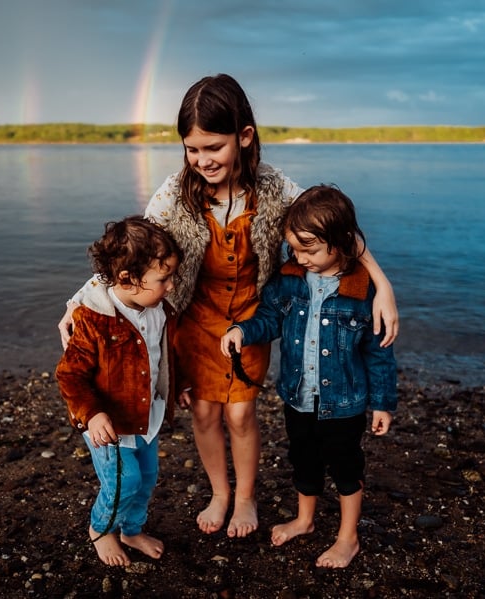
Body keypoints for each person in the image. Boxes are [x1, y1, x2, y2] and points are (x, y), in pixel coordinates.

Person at [59, 74, 398, 539]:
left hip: (248, 318)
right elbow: (128, 256)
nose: (202, 160)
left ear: (244, 137)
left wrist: (382, 284)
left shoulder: (275, 188)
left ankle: (245, 499)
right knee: (203, 413)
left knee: (239, 414)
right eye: (192, 149)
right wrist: (79, 300)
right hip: (196, 321)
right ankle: (219, 492)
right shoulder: (175, 195)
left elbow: (334, 226)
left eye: (213, 147)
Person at [220, 184, 397, 568]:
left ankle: (348, 537)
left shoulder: (361, 290)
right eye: (295, 249)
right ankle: (305, 519)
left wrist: (382, 403)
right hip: (298, 396)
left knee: (346, 466)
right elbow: (268, 320)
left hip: (345, 403)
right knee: (304, 459)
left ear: (341, 242)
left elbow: (379, 350)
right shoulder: (289, 279)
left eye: (310, 249)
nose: (300, 257)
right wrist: (241, 331)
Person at [55, 216, 182, 567]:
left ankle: (132, 529)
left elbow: (164, 357)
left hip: (146, 414)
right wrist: (92, 414)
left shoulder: (158, 310)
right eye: (163, 278)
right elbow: (70, 376)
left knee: (147, 479)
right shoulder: (94, 318)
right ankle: (102, 530)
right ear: (127, 279)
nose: (171, 286)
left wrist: (177, 388)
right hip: (108, 424)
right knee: (124, 481)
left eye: (171, 276)